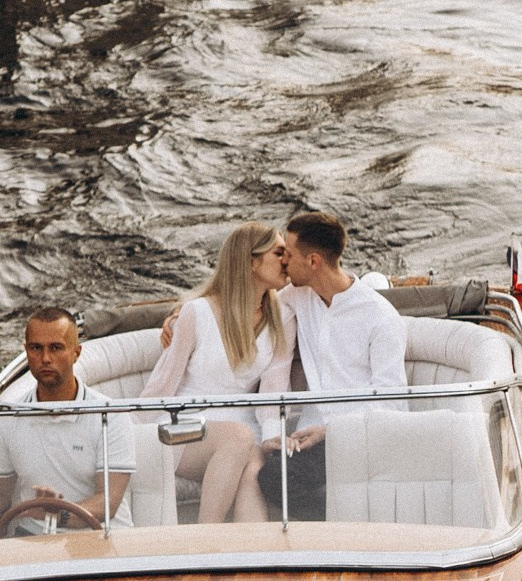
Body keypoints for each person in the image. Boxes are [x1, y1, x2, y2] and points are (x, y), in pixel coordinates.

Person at [140, 221, 296, 523]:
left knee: (254, 467)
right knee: (237, 439)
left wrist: (273, 438)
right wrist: (130, 435)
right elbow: (163, 384)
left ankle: (255, 551)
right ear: (251, 261)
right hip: (185, 426)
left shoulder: (283, 317)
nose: (286, 261)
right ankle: (204, 539)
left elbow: (274, 389)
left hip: (243, 425)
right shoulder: (196, 313)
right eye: (278, 253)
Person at [257, 209, 407, 518]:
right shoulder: (298, 296)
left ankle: (339, 525)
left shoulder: (381, 317)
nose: (284, 263)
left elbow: (393, 404)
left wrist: (332, 431)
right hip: (309, 438)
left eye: (289, 255)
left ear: (313, 262)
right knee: (269, 473)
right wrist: (180, 313)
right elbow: (246, 299)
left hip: (361, 437)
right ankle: (335, 522)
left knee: (275, 477)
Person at [0, 306, 134, 532]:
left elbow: (107, 502)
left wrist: (57, 515)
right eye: (36, 348)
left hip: (103, 539)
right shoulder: (8, 416)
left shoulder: (111, 415)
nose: (45, 358)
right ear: (26, 351)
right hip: (34, 539)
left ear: (76, 353)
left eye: (56, 348)